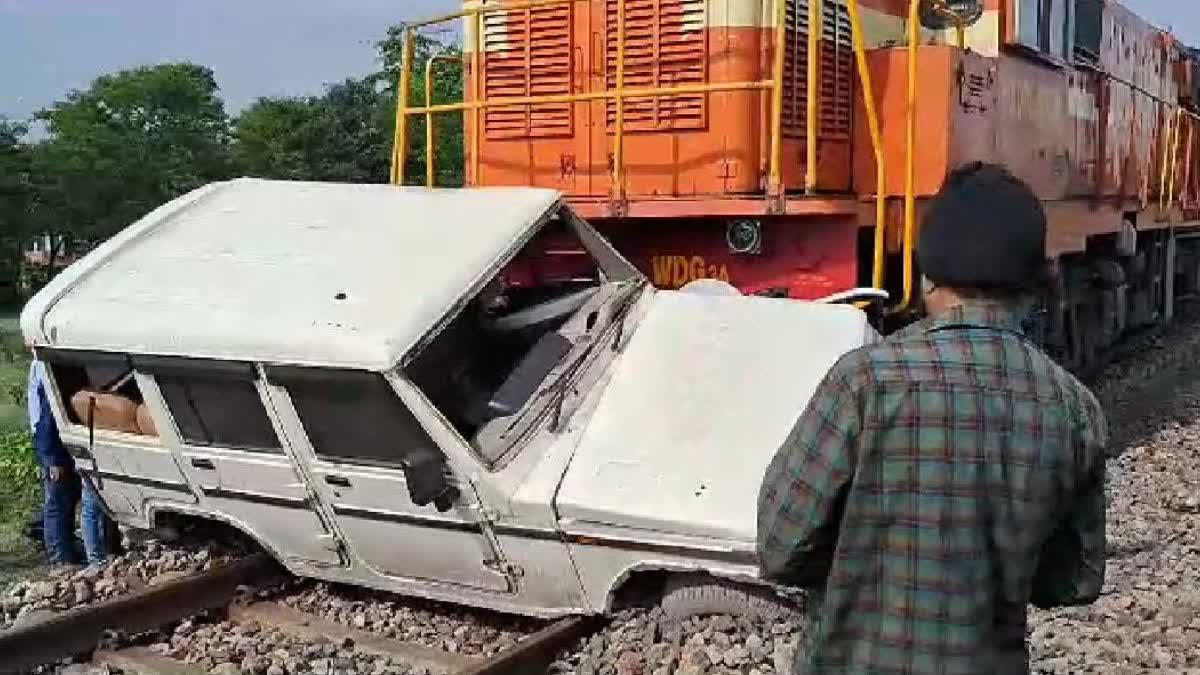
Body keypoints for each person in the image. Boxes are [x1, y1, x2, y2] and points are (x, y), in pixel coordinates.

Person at [757, 162, 1108, 675]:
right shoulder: (1075, 409)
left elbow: (779, 548)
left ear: (926, 276)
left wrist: (860, 559)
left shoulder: (864, 381)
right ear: (1036, 284)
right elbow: (1073, 582)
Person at [28, 359, 110, 569]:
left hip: (58, 441)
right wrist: (52, 459)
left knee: (69, 500)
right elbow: (46, 419)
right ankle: (61, 559)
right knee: (59, 503)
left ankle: (69, 553)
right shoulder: (49, 370)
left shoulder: (43, 365)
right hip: (55, 445)